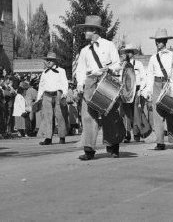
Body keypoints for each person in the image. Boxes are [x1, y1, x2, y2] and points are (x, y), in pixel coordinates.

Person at [74, 15, 124, 160]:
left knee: (110, 114)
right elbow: (80, 70)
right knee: (88, 115)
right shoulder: (84, 51)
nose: (84, 32)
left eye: (86, 29)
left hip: (106, 80)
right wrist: (79, 84)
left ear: (94, 30)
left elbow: (117, 64)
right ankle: (89, 149)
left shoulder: (109, 45)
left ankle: (113, 147)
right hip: (90, 81)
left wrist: (109, 70)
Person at [145, 28, 173, 150]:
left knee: (171, 112)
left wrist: (172, 86)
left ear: (165, 41)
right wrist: (148, 90)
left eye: (159, 41)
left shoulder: (172, 55)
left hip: (168, 84)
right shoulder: (153, 58)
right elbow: (149, 74)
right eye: (156, 41)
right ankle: (160, 142)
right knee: (157, 113)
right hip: (156, 84)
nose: (157, 43)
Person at [36, 51, 68, 145]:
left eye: (51, 60)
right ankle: (48, 138)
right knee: (47, 117)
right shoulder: (44, 73)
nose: (49, 62)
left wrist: (64, 94)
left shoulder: (61, 71)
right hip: (46, 95)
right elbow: (41, 86)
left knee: (60, 116)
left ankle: (62, 137)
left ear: (55, 61)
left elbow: (64, 83)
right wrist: (38, 98)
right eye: (47, 60)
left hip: (57, 94)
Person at [120, 44, 148, 142]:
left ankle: (137, 134)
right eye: (127, 51)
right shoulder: (122, 64)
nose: (128, 53)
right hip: (126, 91)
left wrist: (142, 89)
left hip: (136, 89)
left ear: (133, 53)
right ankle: (127, 134)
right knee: (126, 113)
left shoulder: (138, 64)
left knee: (136, 112)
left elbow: (144, 77)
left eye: (130, 51)